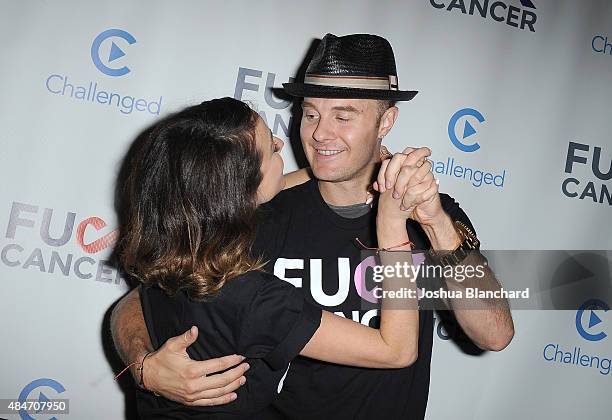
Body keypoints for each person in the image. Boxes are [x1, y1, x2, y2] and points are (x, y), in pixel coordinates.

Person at [111, 34, 514, 419]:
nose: (320, 133)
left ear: (386, 120)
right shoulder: (255, 212)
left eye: (343, 116)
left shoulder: (432, 211)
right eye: (311, 113)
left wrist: (434, 223)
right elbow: (143, 301)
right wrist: (144, 365)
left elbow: (494, 334)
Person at [118, 97, 424, 418]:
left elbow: (484, 329)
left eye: (343, 118)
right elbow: (397, 350)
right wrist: (391, 227)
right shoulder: (254, 297)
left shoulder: (175, 256)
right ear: (241, 188)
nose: (281, 142)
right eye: (273, 149)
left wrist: (437, 222)